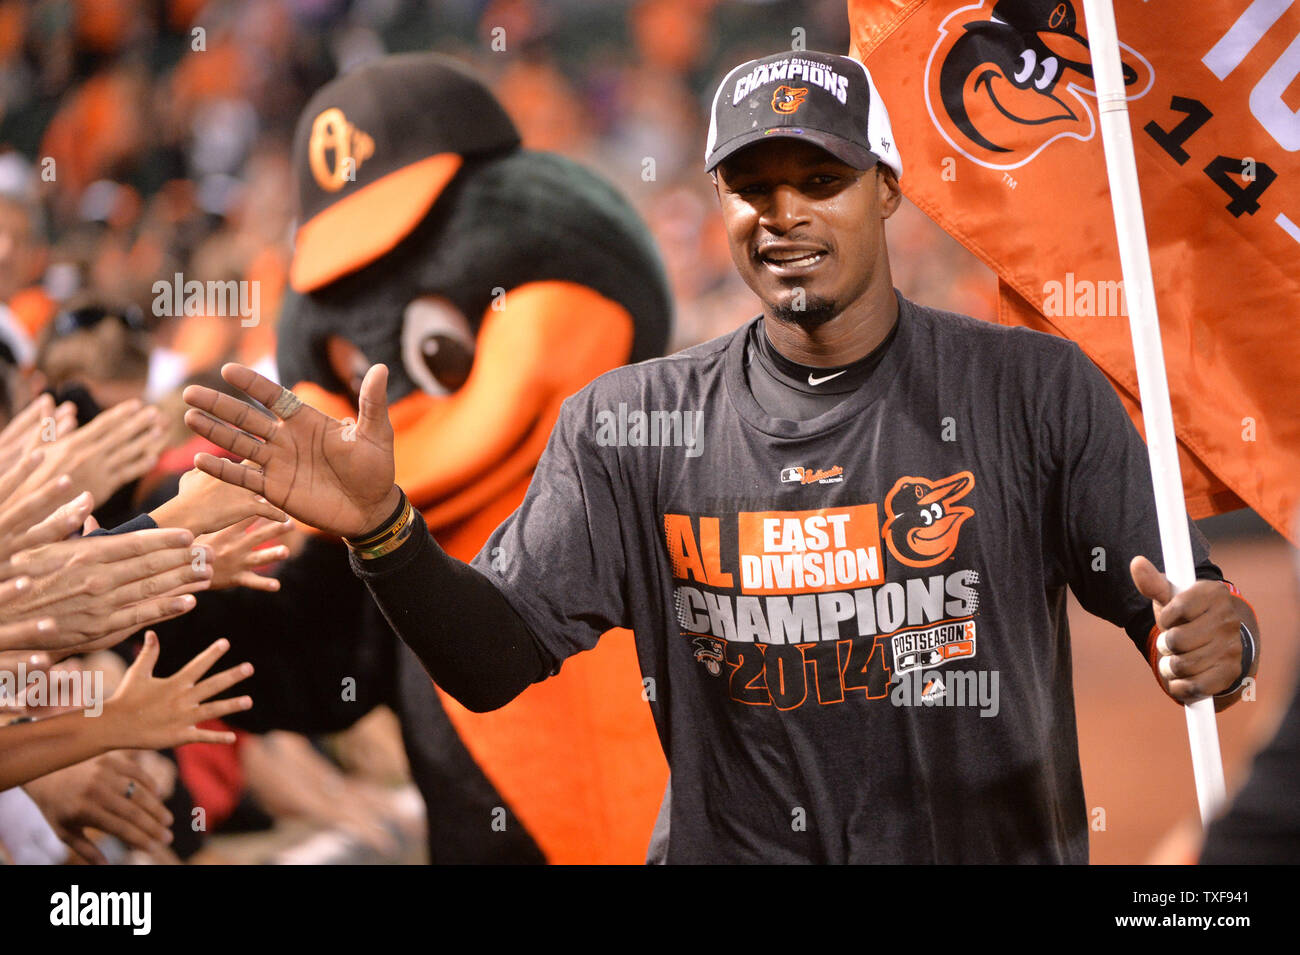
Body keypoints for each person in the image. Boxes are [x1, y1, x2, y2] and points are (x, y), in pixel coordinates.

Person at [183, 51, 1260, 863]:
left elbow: (1184, 609)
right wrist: (383, 531)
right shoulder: (630, 423)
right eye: (752, 186)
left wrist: (1222, 639)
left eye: (819, 179)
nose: (782, 213)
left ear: (886, 187)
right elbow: (491, 661)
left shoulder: (1030, 389)